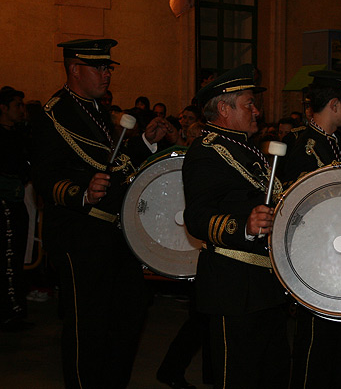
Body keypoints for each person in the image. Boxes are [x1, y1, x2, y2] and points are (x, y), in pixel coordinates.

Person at [30, 39, 170, 388]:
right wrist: (81, 192)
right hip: (79, 233)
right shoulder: (54, 113)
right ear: (75, 69)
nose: (107, 74)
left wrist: (145, 143)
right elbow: (45, 176)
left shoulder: (95, 110)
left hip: (113, 233)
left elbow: (113, 162)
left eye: (109, 67)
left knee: (128, 315)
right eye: (99, 67)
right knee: (88, 325)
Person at [182, 64, 290, 389]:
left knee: (274, 376)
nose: (257, 111)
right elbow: (197, 217)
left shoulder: (247, 148)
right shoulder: (205, 151)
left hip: (266, 286)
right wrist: (244, 226)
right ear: (225, 109)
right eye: (249, 104)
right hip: (234, 288)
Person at [281, 70, 341, 388]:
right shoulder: (304, 148)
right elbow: (300, 214)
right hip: (318, 264)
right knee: (316, 347)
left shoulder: (336, 144)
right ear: (333, 104)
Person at [0, 87, 31, 332]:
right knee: (8, 257)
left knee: (16, 256)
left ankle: (15, 308)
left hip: (16, 200)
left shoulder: (20, 134)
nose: (21, 110)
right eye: (17, 105)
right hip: (5, 203)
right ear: (3, 108)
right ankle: (10, 310)